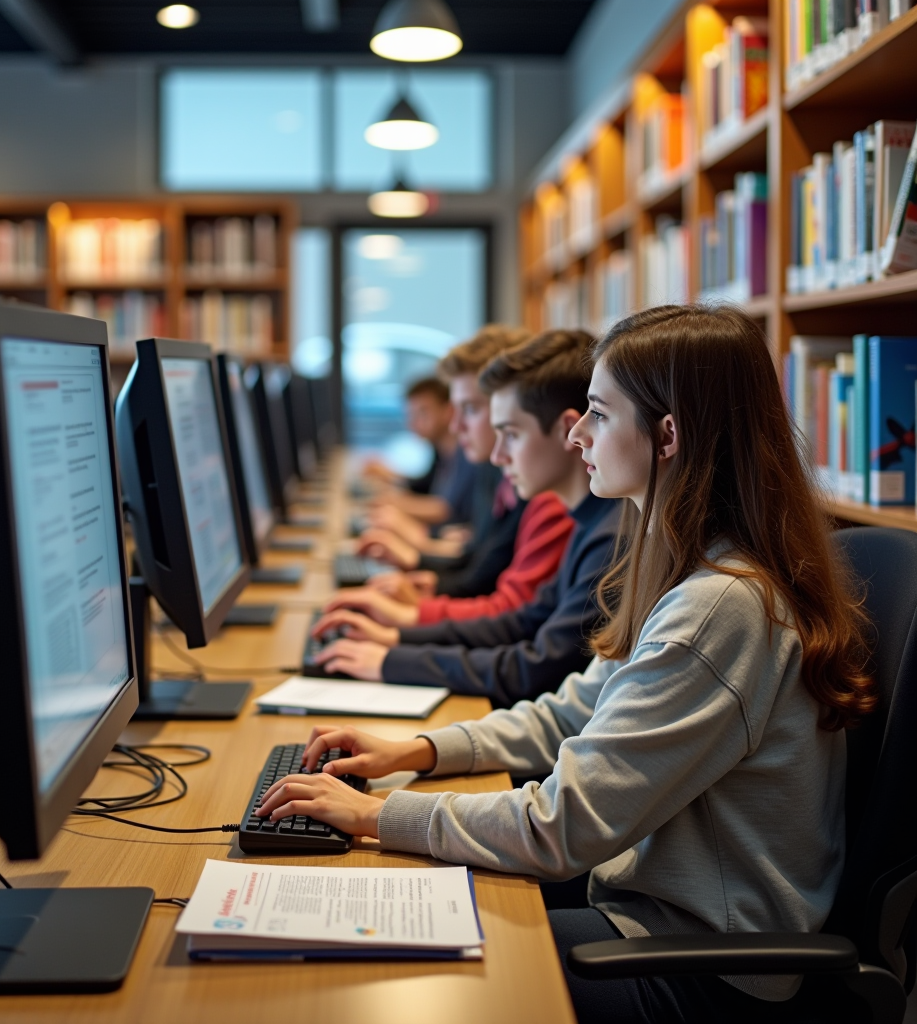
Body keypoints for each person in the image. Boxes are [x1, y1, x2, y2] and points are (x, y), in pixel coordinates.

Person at [258, 305, 877, 1024]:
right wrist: (418, 750)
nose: (577, 431)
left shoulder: (719, 608)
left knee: (387, 974)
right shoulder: (691, 570)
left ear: (668, 435)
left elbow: (563, 826)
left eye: (601, 414)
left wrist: (377, 814)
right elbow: (572, 711)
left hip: (705, 968)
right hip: (643, 910)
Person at [312, 330, 618, 709]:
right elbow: (523, 619)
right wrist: (400, 636)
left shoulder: (599, 528)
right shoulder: (587, 517)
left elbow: (536, 665)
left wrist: (398, 651)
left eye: (510, 432)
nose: (497, 455)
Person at [357, 325, 535, 600]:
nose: (456, 425)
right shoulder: (495, 472)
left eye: (470, 409)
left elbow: (494, 596)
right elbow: (477, 566)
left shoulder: (530, 488)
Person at [362, 376, 476, 526]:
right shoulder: (440, 449)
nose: (413, 423)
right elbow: (423, 485)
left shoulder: (468, 452)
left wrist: (394, 502)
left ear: (448, 411)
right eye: (411, 415)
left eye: (422, 413)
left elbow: (445, 509)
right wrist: (390, 476)